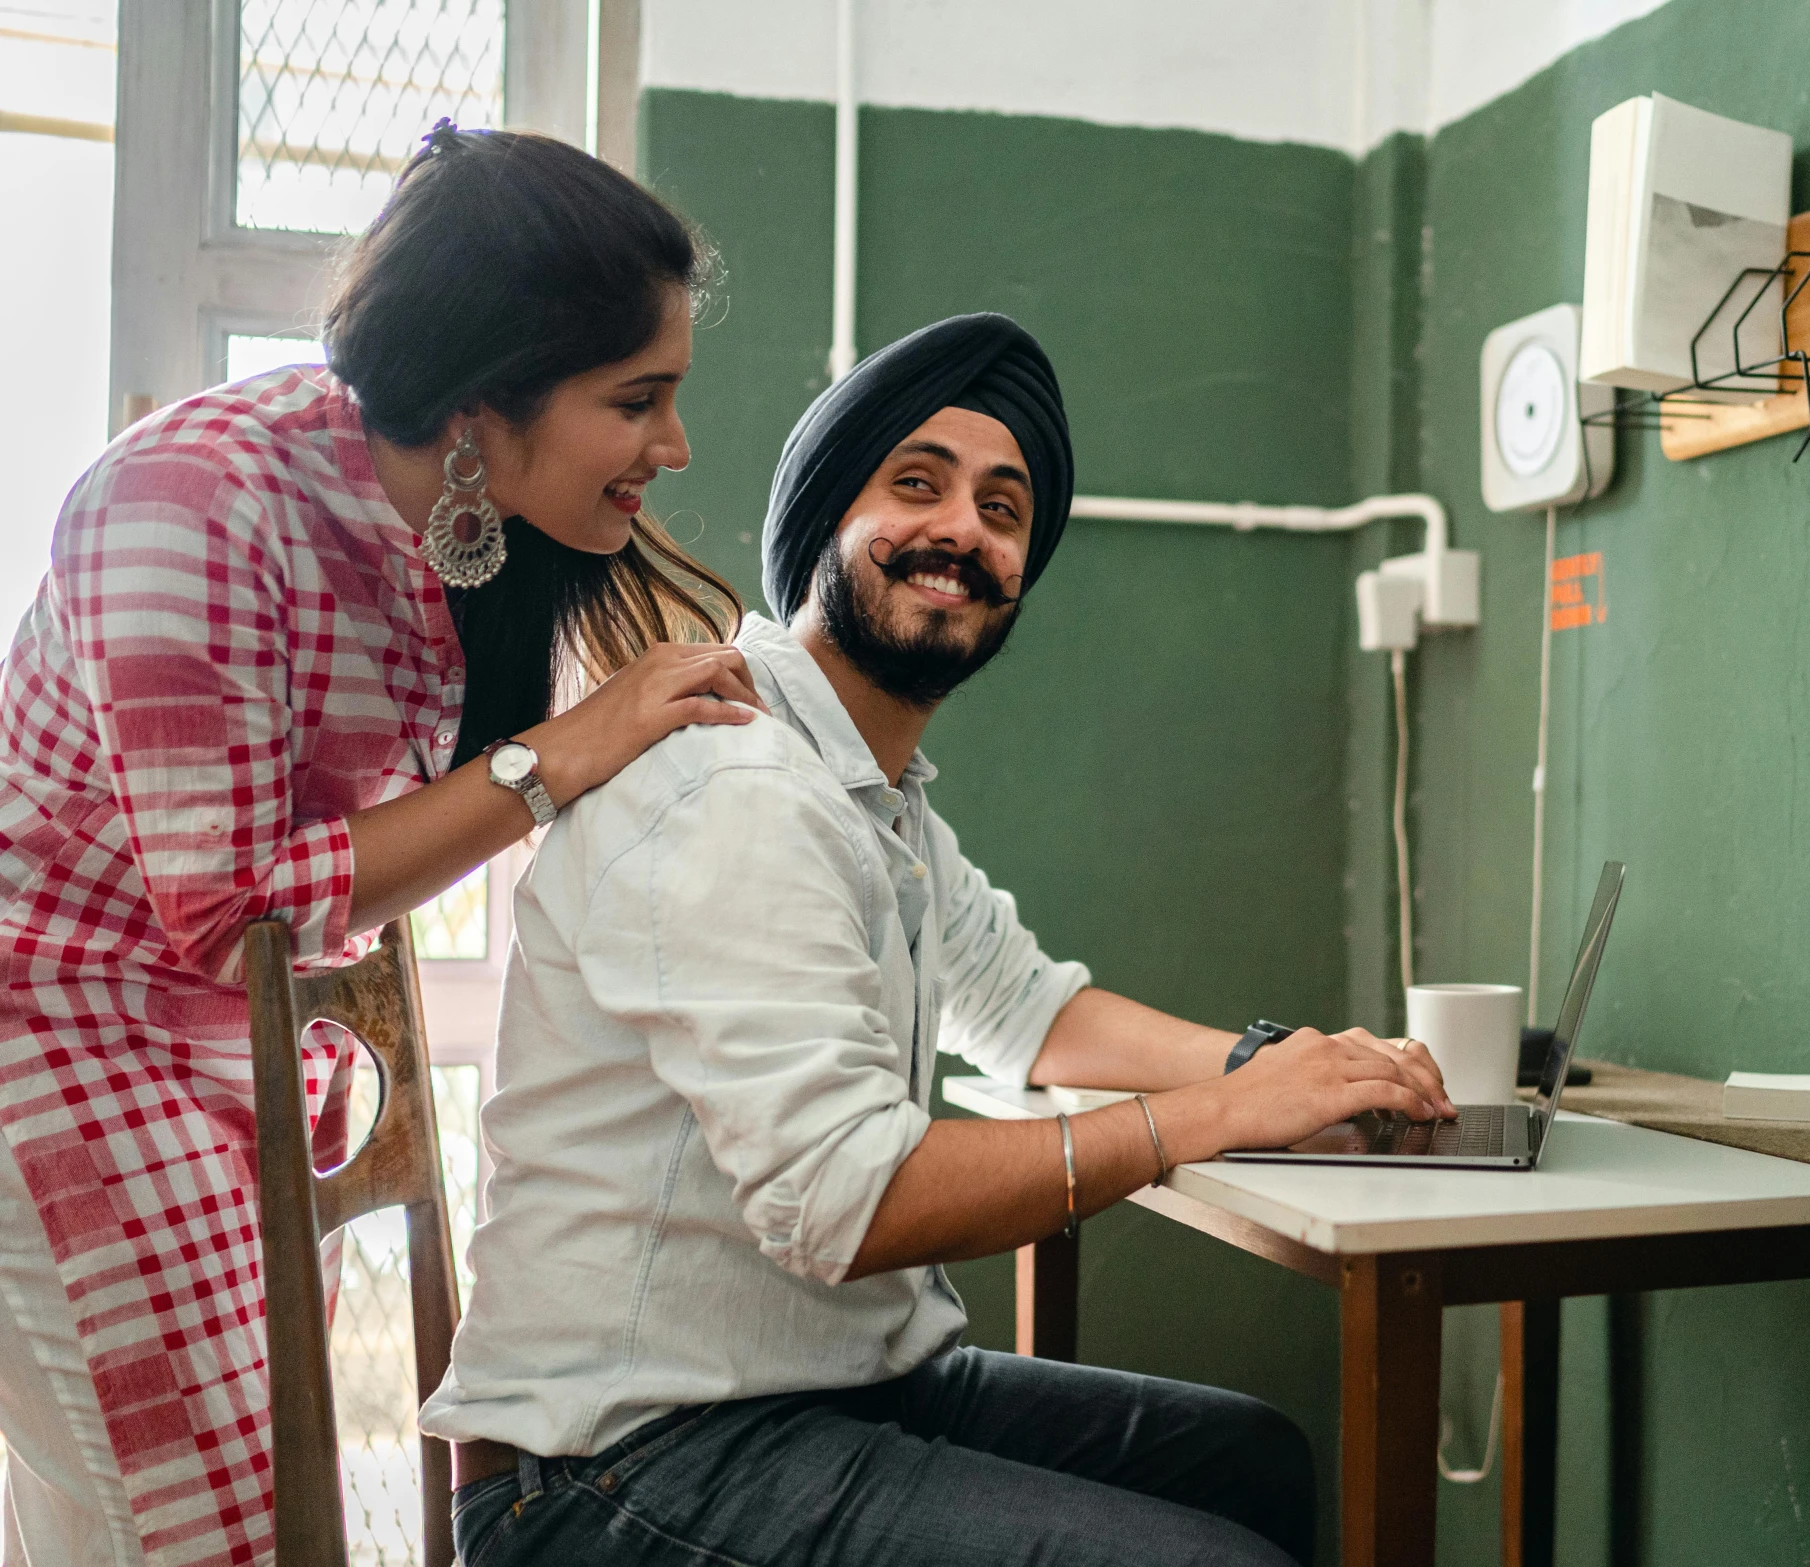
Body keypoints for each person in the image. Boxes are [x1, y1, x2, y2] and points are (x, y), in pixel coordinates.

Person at [419, 313, 1458, 1566]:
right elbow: (843, 1202)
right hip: (614, 1462)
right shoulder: (736, 781)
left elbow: (1027, 1009)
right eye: (917, 484)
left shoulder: (871, 787)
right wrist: (1208, 1117)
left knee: (1253, 1461)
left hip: (820, 1388)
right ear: (824, 518)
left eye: (1005, 511)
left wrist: (1273, 1067)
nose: (964, 528)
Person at [0, 125, 763, 1566]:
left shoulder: (468, 532)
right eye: (638, 399)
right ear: (483, 402)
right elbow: (232, 914)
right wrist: (558, 752)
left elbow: (351, 872)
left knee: (139, 1529)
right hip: (53, 1040)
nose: (672, 446)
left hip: (241, 1055)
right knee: (224, 1535)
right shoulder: (191, 503)